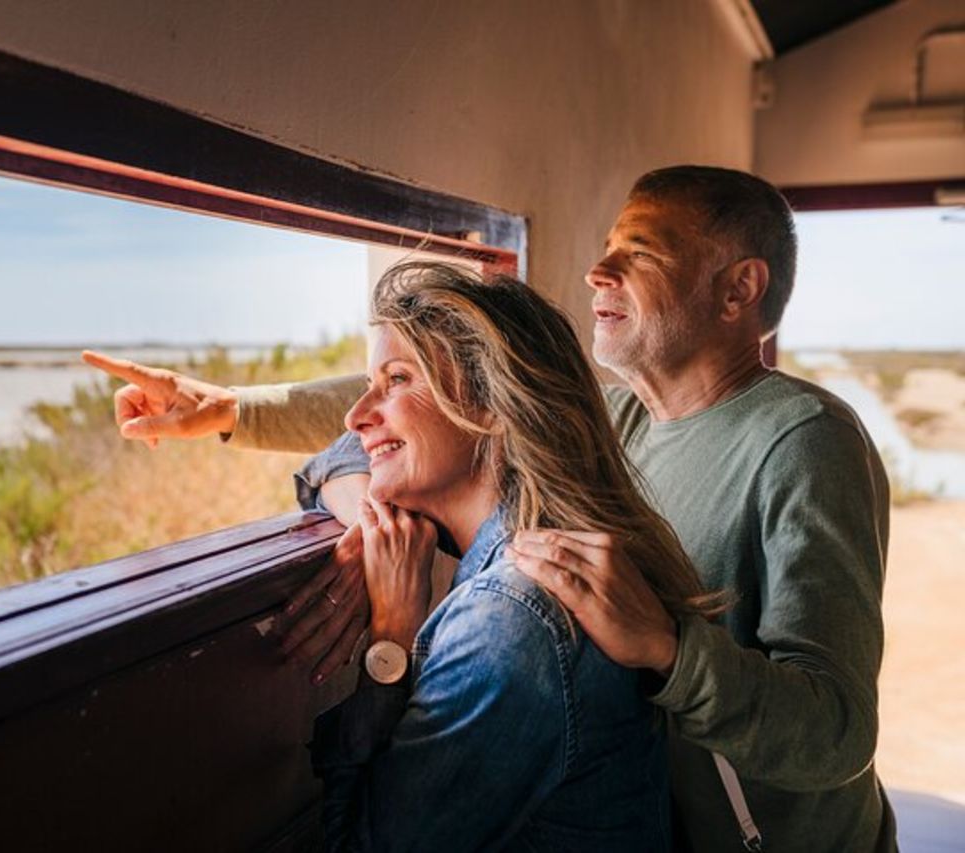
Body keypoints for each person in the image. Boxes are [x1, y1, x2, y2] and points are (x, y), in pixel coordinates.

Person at [83, 165, 895, 851]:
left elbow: (838, 733)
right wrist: (235, 413)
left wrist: (668, 647)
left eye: (637, 253)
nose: (596, 272)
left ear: (738, 288)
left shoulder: (804, 439)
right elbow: (399, 406)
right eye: (605, 249)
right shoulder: (621, 419)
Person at [306, 261, 721, 850]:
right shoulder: (539, 549)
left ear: (492, 408)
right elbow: (330, 458)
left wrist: (391, 643)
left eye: (397, 379)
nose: (357, 414)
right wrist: (375, 512)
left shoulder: (511, 620)